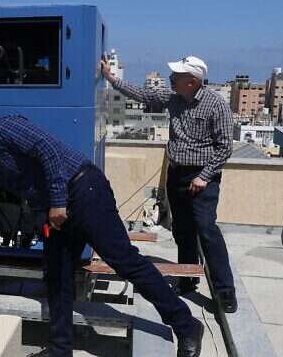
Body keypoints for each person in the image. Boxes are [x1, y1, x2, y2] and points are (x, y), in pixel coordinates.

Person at [0, 101, 204, 357]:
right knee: (57, 276)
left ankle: (186, 324)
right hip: (55, 212)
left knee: (124, 261)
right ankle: (60, 349)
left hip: (83, 190)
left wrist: (59, 202)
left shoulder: (4, 129)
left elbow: (47, 150)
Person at [101, 55, 237, 313]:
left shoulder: (215, 105)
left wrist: (204, 176)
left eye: (178, 76)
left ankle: (225, 291)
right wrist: (111, 78)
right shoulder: (174, 97)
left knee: (207, 229)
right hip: (177, 175)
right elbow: (143, 95)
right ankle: (187, 279)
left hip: (202, 177)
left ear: (193, 81)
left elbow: (224, 149)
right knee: (182, 230)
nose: (172, 79)